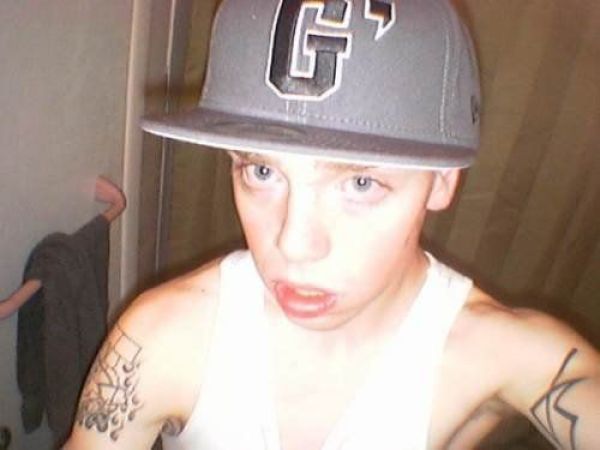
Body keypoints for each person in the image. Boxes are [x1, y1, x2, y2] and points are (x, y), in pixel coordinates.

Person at [64, 0, 600, 449]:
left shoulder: (501, 354)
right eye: (262, 171)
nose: (294, 245)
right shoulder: (161, 338)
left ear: (441, 181)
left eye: (361, 184)